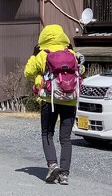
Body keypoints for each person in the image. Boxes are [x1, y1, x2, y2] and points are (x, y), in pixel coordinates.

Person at [23, 24, 81, 185]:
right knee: (66, 138)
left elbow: (27, 72)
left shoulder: (42, 54)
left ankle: (52, 164)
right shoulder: (71, 53)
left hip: (50, 100)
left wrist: (34, 56)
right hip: (70, 99)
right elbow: (80, 70)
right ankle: (64, 175)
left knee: (47, 134)